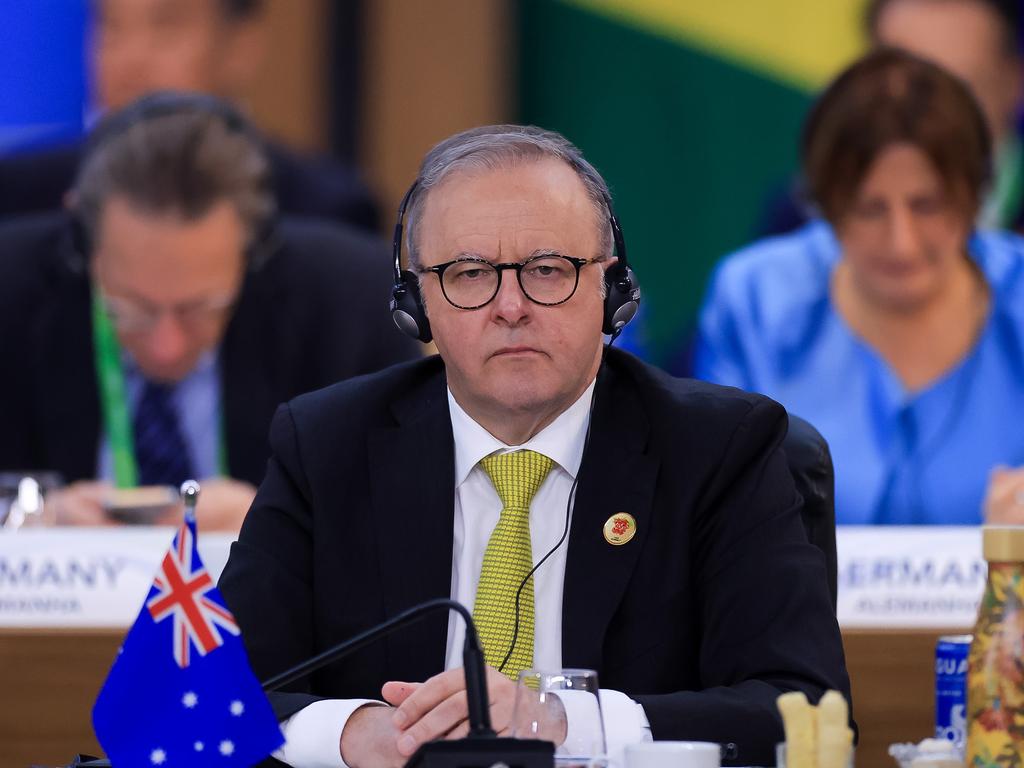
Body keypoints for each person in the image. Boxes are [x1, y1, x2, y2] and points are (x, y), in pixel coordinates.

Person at [218, 124, 851, 768]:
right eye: (469, 274)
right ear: (416, 303)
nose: (512, 306)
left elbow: (800, 707)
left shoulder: (721, 450)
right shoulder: (328, 446)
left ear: (613, 290)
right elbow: (209, 698)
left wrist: (559, 720)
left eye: (548, 270)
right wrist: (358, 733)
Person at [0, 93, 419, 531]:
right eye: (132, 310)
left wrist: (285, 525)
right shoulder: (10, 292)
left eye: (201, 308)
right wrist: (31, 518)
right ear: (83, 248)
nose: (167, 347)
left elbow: (407, 510)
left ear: (254, 251)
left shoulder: (348, 305)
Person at [695, 48, 1024, 526]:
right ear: (826, 203)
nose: (902, 243)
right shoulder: (756, 299)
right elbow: (714, 507)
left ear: (973, 195)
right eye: (870, 209)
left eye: (927, 205)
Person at [0, 0, 379, 231]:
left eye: (165, 27)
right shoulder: (18, 200)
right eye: (111, 26)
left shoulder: (326, 209)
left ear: (240, 46)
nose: (131, 58)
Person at [761, 0, 1024, 236]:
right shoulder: (801, 216)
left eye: (963, 91)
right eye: (908, 89)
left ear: (1014, 82)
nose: (929, 121)